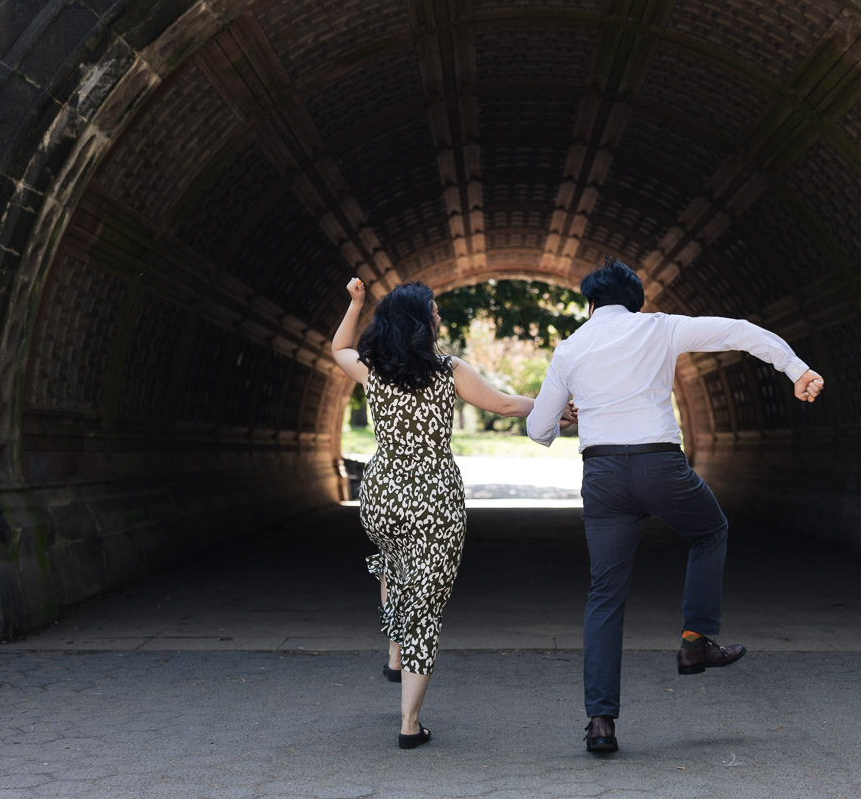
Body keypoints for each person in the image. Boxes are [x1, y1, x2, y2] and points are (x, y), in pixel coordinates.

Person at [526, 256, 824, 754]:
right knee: (709, 532)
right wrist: (797, 369)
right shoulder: (660, 329)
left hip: (602, 476)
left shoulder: (570, 348)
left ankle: (601, 723)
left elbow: (538, 429)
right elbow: (740, 332)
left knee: (605, 595)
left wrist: (569, 416)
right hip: (659, 466)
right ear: (636, 301)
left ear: (591, 302)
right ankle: (695, 641)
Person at [332, 277, 574, 750]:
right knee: (426, 603)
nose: (440, 316)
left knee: (394, 564)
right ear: (422, 323)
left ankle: (394, 653)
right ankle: (409, 724)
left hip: (381, 493)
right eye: (435, 310)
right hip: (433, 497)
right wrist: (556, 410)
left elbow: (339, 345)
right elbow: (504, 404)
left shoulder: (372, 369)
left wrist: (354, 304)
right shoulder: (449, 370)